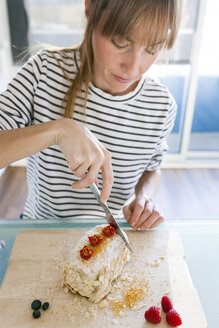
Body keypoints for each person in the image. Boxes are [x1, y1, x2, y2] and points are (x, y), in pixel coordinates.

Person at [0, 0, 182, 230]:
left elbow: (152, 167)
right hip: (40, 233)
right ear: (90, 9)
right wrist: (59, 130)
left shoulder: (162, 105)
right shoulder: (44, 72)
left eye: (151, 49)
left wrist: (144, 197)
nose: (133, 68)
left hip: (107, 238)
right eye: (121, 42)